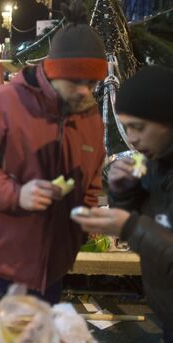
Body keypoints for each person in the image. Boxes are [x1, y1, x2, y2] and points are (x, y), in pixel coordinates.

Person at [0, 0, 108, 311]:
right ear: (52, 71)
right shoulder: (1, 103)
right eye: (75, 81)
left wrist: (87, 219)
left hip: (48, 273)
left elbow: (91, 181)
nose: (85, 92)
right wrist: (17, 194)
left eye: (92, 82)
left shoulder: (90, 119)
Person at [72, 65, 173, 341]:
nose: (132, 139)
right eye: (126, 127)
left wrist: (128, 226)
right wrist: (121, 191)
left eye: (138, 127)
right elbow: (142, 219)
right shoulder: (154, 162)